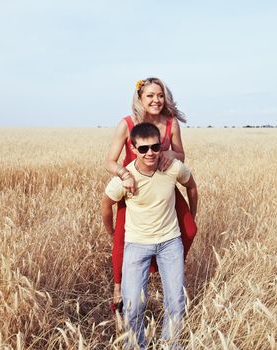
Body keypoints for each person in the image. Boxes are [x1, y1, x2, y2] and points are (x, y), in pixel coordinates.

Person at [104, 77, 197, 312]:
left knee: (189, 228)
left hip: (163, 182)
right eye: (150, 96)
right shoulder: (127, 123)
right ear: (140, 98)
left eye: (160, 95)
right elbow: (109, 161)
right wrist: (124, 174)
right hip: (133, 188)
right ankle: (118, 288)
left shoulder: (171, 122)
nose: (156, 100)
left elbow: (180, 154)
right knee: (122, 239)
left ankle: (167, 266)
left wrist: (170, 156)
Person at [101, 123, 198, 349]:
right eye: (143, 149)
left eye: (155, 147)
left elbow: (192, 187)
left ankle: (171, 345)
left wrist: (191, 217)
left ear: (160, 146)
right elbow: (106, 204)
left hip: (170, 244)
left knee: (176, 302)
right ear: (133, 149)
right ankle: (135, 345)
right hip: (136, 245)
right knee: (133, 305)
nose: (150, 153)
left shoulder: (173, 168)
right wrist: (112, 232)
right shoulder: (125, 179)